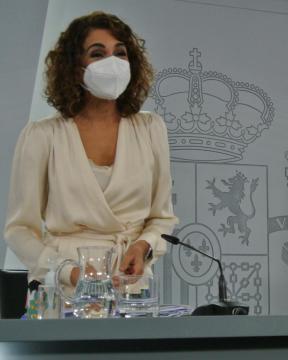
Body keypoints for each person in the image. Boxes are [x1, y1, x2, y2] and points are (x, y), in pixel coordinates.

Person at [4, 11, 178, 292]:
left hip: (129, 286)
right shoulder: (42, 135)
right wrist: (67, 271)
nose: (113, 62)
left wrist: (144, 246)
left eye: (120, 53)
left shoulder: (150, 128)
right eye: (98, 54)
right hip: (63, 288)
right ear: (75, 68)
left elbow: (162, 217)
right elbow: (19, 231)